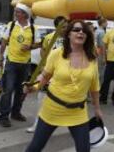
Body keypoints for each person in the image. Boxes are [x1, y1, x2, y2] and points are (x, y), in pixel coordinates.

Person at [24, 20, 103, 152]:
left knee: (84, 149)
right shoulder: (57, 54)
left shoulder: (92, 58)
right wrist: (34, 87)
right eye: (76, 30)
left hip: (77, 112)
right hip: (53, 108)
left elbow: (94, 87)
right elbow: (44, 76)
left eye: (84, 30)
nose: (81, 32)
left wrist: (97, 108)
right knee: (35, 147)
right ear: (68, 35)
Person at [0, 3, 41, 127]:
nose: (15, 14)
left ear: (25, 14)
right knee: (8, 90)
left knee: (21, 90)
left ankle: (16, 112)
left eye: (18, 12)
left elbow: (38, 44)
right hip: (11, 62)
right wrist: (0, 56)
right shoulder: (11, 25)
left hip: (25, 63)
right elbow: (4, 41)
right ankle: (4, 116)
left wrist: (30, 47)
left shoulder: (33, 28)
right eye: (15, 11)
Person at [26, 16, 68, 133]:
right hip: (49, 75)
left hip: (65, 77)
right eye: (62, 27)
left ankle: (73, 125)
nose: (65, 29)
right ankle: (38, 125)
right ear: (56, 27)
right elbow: (43, 51)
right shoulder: (49, 38)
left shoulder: (71, 39)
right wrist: (44, 66)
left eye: (66, 26)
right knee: (42, 99)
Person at [95, 17, 108, 83]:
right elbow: (102, 45)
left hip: (97, 52)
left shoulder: (97, 31)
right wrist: (103, 57)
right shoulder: (102, 32)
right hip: (100, 53)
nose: (107, 24)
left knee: (97, 70)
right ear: (102, 23)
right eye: (106, 23)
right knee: (101, 71)